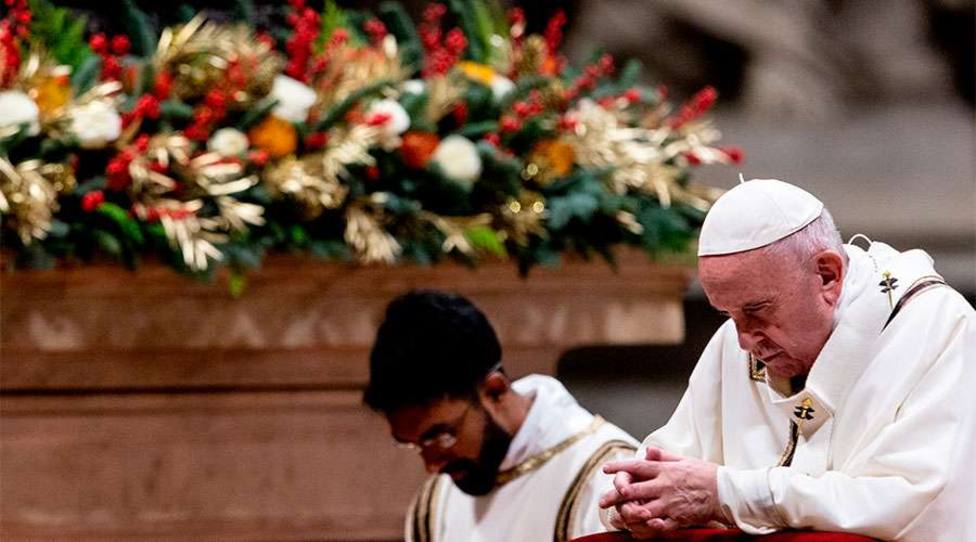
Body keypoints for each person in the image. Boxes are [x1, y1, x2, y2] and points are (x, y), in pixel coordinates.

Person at [598, 178, 976, 541]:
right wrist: (641, 505)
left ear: (828, 275)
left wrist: (728, 493)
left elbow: (920, 507)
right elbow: (673, 467)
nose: (744, 341)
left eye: (757, 310)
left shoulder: (936, 327)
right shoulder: (736, 340)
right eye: (728, 316)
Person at [363, 290, 639, 542]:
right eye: (414, 444)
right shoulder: (436, 502)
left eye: (441, 436)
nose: (431, 465)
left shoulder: (609, 478)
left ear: (494, 391)